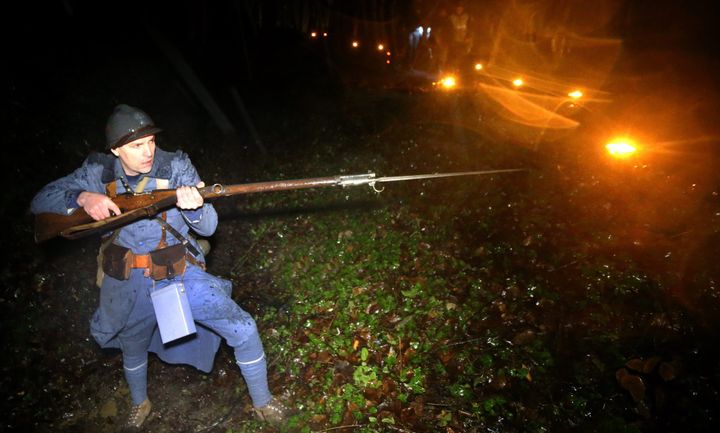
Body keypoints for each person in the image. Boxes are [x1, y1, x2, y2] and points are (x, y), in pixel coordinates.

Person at [30, 104, 286, 429]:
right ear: (115, 150)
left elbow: (208, 228)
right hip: (126, 280)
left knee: (243, 327)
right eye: (137, 146)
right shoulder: (98, 172)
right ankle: (141, 403)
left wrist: (194, 207)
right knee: (131, 347)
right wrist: (82, 198)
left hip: (176, 270)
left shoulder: (176, 165)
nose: (148, 151)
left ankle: (263, 402)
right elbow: (41, 200)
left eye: (150, 141)